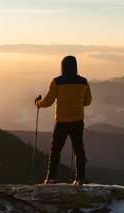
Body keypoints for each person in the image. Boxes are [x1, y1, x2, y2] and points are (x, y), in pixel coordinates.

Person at [35, 56, 92, 185]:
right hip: (77, 121)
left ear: (62, 66)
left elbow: (48, 102)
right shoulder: (84, 82)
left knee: (56, 150)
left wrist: (38, 103)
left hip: (61, 121)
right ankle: (80, 178)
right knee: (79, 150)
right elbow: (87, 102)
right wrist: (76, 102)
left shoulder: (57, 82)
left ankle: (51, 178)